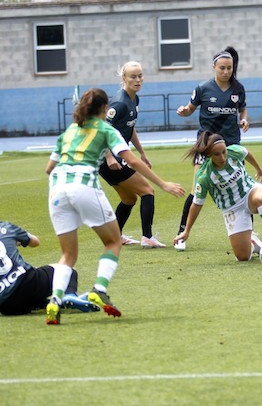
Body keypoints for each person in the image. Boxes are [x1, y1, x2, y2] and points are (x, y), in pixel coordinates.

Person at [45, 88, 185, 325]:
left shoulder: (68, 131)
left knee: (67, 254)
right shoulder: (106, 130)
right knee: (112, 241)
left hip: (56, 189)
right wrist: (162, 184)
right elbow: (130, 160)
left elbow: (49, 168)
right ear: (103, 109)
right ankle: (99, 289)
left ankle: (55, 301)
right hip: (83, 186)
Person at [175, 46, 249, 251]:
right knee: (196, 189)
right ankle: (182, 233)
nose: (226, 72)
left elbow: (242, 109)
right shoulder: (202, 88)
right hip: (206, 146)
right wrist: (184, 111)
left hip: (231, 146)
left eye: (229, 68)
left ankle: (249, 233)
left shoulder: (238, 88)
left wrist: (243, 120)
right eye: (222, 68)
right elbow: (190, 108)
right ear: (214, 67)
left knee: (242, 191)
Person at [172, 132, 262, 262]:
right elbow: (196, 204)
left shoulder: (234, 151)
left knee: (260, 200)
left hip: (249, 192)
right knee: (243, 257)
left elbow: (247, 153)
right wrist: (187, 231)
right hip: (232, 209)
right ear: (209, 155)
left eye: (224, 152)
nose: (222, 157)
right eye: (217, 154)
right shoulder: (204, 176)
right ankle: (252, 243)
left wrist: (259, 170)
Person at [99, 61, 166, 248]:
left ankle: (116, 236)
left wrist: (142, 152)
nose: (138, 80)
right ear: (124, 79)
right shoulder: (119, 102)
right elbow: (101, 129)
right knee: (148, 191)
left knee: (129, 199)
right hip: (110, 161)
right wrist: (109, 156)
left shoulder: (134, 99)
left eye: (140, 76)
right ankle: (148, 237)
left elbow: (130, 127)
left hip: (115, 158)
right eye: (133, 76)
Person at [0, 221, 99, 318]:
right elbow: (35, 242)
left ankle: (45, 304)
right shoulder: (7, 227)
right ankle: (69, 295)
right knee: (67, 269)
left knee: (22, 298)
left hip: (7, 306)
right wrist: (16, 241)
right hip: (28, 282)